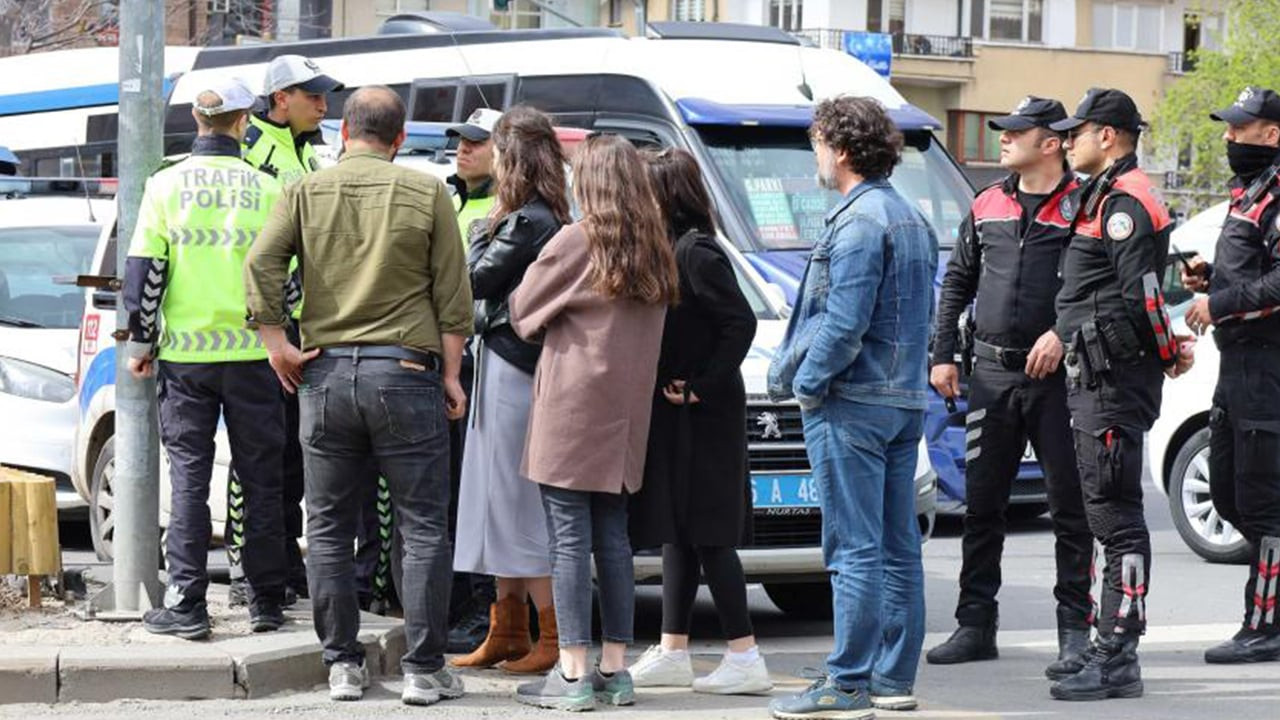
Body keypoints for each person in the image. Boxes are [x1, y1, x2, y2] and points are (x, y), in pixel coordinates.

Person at [243, 85, 473, 706]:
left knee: (327, 527)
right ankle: (425, 669)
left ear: (344, 132)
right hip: (405, 371)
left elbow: (260, 264)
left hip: (323, 376)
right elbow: (453, 298)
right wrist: (451, 376)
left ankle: (343, 664)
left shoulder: (303, 190)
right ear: (399, 139)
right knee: (422, 526)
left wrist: (276, 344)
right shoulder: (427, 192)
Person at [766, 95, 938, 719]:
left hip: (855, 402)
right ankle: (891, 680)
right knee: (897, 548)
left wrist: (809, 385)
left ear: (840, 150)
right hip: (900, 400)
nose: (815, 156)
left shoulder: (860, 219)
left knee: (853, 549)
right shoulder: (909, 217)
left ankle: (847, 682)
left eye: (816, 144)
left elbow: (842, 323)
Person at [926, 96, 1095, 681]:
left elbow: (1099, 288)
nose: (1003, 138)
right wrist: (942, 352)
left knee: (1070, 510)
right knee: (982, 504)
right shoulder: (986, 203)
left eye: (1016, 131)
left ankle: (1075, 632)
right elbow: (957, 282)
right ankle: (975, 623)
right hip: (992, 375)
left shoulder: (1083, 207)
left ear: (1050, 143)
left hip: (1059, 379)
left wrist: (1062, 332)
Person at [508, 133, 678, 711]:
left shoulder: (577, 240)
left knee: (567, 541)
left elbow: (522, 310)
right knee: (614, 537)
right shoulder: (656, 244)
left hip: (573, 406)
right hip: (627, 410)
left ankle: (573, 672)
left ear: (592, 182)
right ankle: (613, 668)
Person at [124, 77, 288, 640]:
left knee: (190, 477)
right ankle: (267, 599)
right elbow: (287, 279)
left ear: (197, 121)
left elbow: (147, 272)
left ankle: (187, 603)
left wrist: (141, 344)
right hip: (254, 358)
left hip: (186, 359)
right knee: (262, 478)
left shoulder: (165, 186)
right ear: (244, 122)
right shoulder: (267, 189)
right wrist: (280, 339)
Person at [1047, 87, 1194, 701]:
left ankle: (1118, 655)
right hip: (1094, 380)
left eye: (1076, 132)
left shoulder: (1127, 201)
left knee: (1118, 521)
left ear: (1107, 136)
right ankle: (1105, 647)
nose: (1067, 141)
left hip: (1112, 382)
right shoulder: (1102, 195)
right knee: (1104, 513)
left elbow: (1144, 298)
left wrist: (1168, 353)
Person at [626, 147, 769, 695]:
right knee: (677, 532)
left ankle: (744, 653)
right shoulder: (670, 250)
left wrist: (701, 385)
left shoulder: (697, 252)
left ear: (664, 194)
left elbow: (742, 323)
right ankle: (672, 648)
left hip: (705, 412)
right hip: (679, 408)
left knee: (709, 534)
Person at [451, 105, 569, 674]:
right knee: (498, 500)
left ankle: (543, 634)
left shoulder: (528, 221)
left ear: (512, 157)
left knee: (515, 501)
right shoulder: (536, 215)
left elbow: (470, 278)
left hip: (512, 368)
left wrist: (480, 229)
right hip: (508, 363)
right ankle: (510, 628)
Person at [227, 53, 346, 607]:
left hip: (305, 322)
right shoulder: (250, 149)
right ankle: (245, 569)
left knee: (294, 455)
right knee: (258, 458)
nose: (323, 104)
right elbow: (254, 248)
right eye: (312, 95)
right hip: (262, 326)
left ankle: (282, 564)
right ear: (281, 99)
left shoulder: (308, 152)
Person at [1181, 86, 1280, 665]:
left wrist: (1220, 303)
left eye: (1239, 128)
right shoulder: (1251, 191)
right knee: (1227, 494)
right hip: (1237, 367)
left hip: (1267, 368)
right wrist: (1211, 279)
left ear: (1271, 134)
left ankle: (1264, 623)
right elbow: (1252, 276)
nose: (1228, 136)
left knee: (1264, 505)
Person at [443, 107, 501, 654]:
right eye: (460, 141)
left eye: (475, 143)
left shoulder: (503, 211)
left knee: (478, 492)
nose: (463, 150)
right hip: (450, 362)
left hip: (485, 362)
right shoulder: (452, 200)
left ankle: (484, 610)